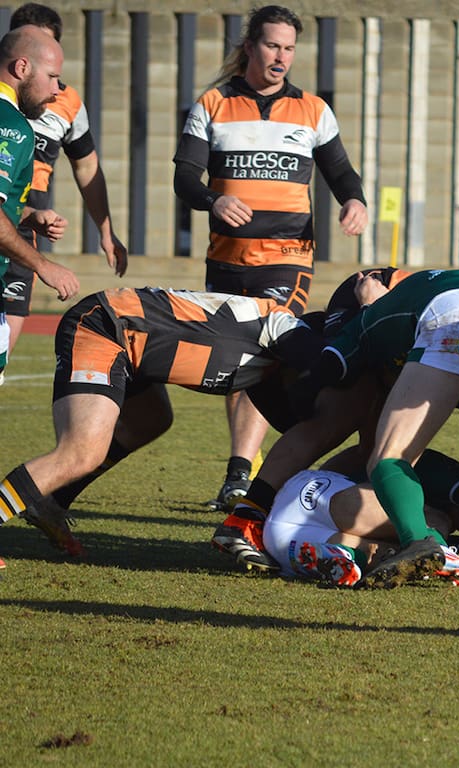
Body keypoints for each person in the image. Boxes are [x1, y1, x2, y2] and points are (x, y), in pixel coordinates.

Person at [213, 268, 459, 586]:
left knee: (387, 457)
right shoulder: (426, 295)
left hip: (455, 319)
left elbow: (329, 370)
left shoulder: (376, 319)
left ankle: (417, 543)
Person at [173, 5, 367, 513]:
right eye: (272, 46)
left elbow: (342, 173)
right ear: (251, 46)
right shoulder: (212, 104)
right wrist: (214, 199)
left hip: (288, 256)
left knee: (269, 346)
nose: (281, 57)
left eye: (288, 48)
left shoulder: (312, 110)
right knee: (237, 360)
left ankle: (250, 473)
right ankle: (244, 470)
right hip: (226, 259)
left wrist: (355, 200)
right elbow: (185, 179)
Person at [0, 287, 325, 556]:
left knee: (152, 419)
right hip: (105, 325)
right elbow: (320, 367)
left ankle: (52, 503)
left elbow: (301, 428)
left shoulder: (270, 370)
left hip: (132, 348)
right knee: (81, 452)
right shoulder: (289, 328)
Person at [2, 4, 127, 366]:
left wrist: (106, 230)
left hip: (22, 219)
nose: (53, 84)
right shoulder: (8, 111)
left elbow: (87, 167)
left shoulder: (65, 100)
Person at [0, 25, 80, 389]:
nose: (56, 90)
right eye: (51, 77)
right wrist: (43, 265)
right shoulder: (12, 127)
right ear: (21, 68)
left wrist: (28, 216)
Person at [262, 469, 459, 589]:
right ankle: (440, 549)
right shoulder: (428, 486)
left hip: (287, 530)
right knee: (433, 521)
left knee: (387, 555)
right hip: (320, 498)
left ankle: (346, 557)